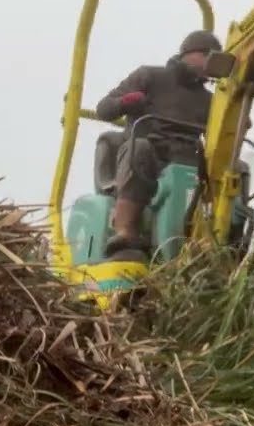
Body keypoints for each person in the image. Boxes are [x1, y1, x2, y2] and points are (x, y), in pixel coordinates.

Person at [94, 29, 237, 258]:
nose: (211, 64)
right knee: (139, 148)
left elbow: (229, 130)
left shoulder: (211, 100)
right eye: (208, 56)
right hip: (149, 156)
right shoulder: (149, 76)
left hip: (190, 160)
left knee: (236, 169)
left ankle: (226, 243)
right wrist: (125, 102)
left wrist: (238, 118)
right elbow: (104, 109)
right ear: (188, 54)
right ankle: (125, 231)